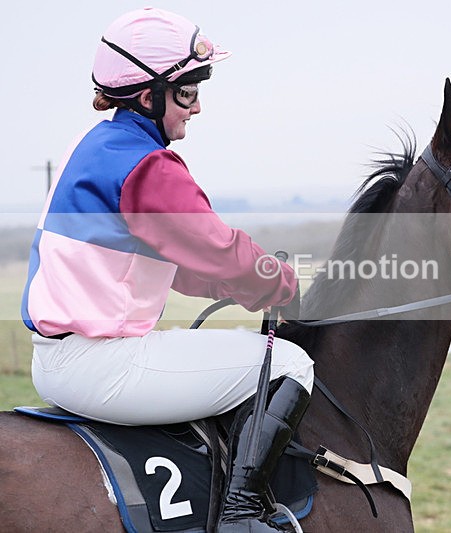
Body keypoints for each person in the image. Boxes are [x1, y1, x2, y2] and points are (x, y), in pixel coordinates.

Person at [20, 7, 313, 532]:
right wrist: (280, 284)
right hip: (104, 365)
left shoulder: (95, 147)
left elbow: (176, 266)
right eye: (187, 91)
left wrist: (246, 288)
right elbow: (220, 249)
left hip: (60, 363)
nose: (197, 107)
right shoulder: (147, 165)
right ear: (147, 95)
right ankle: (242, 515)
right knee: (291, 363)